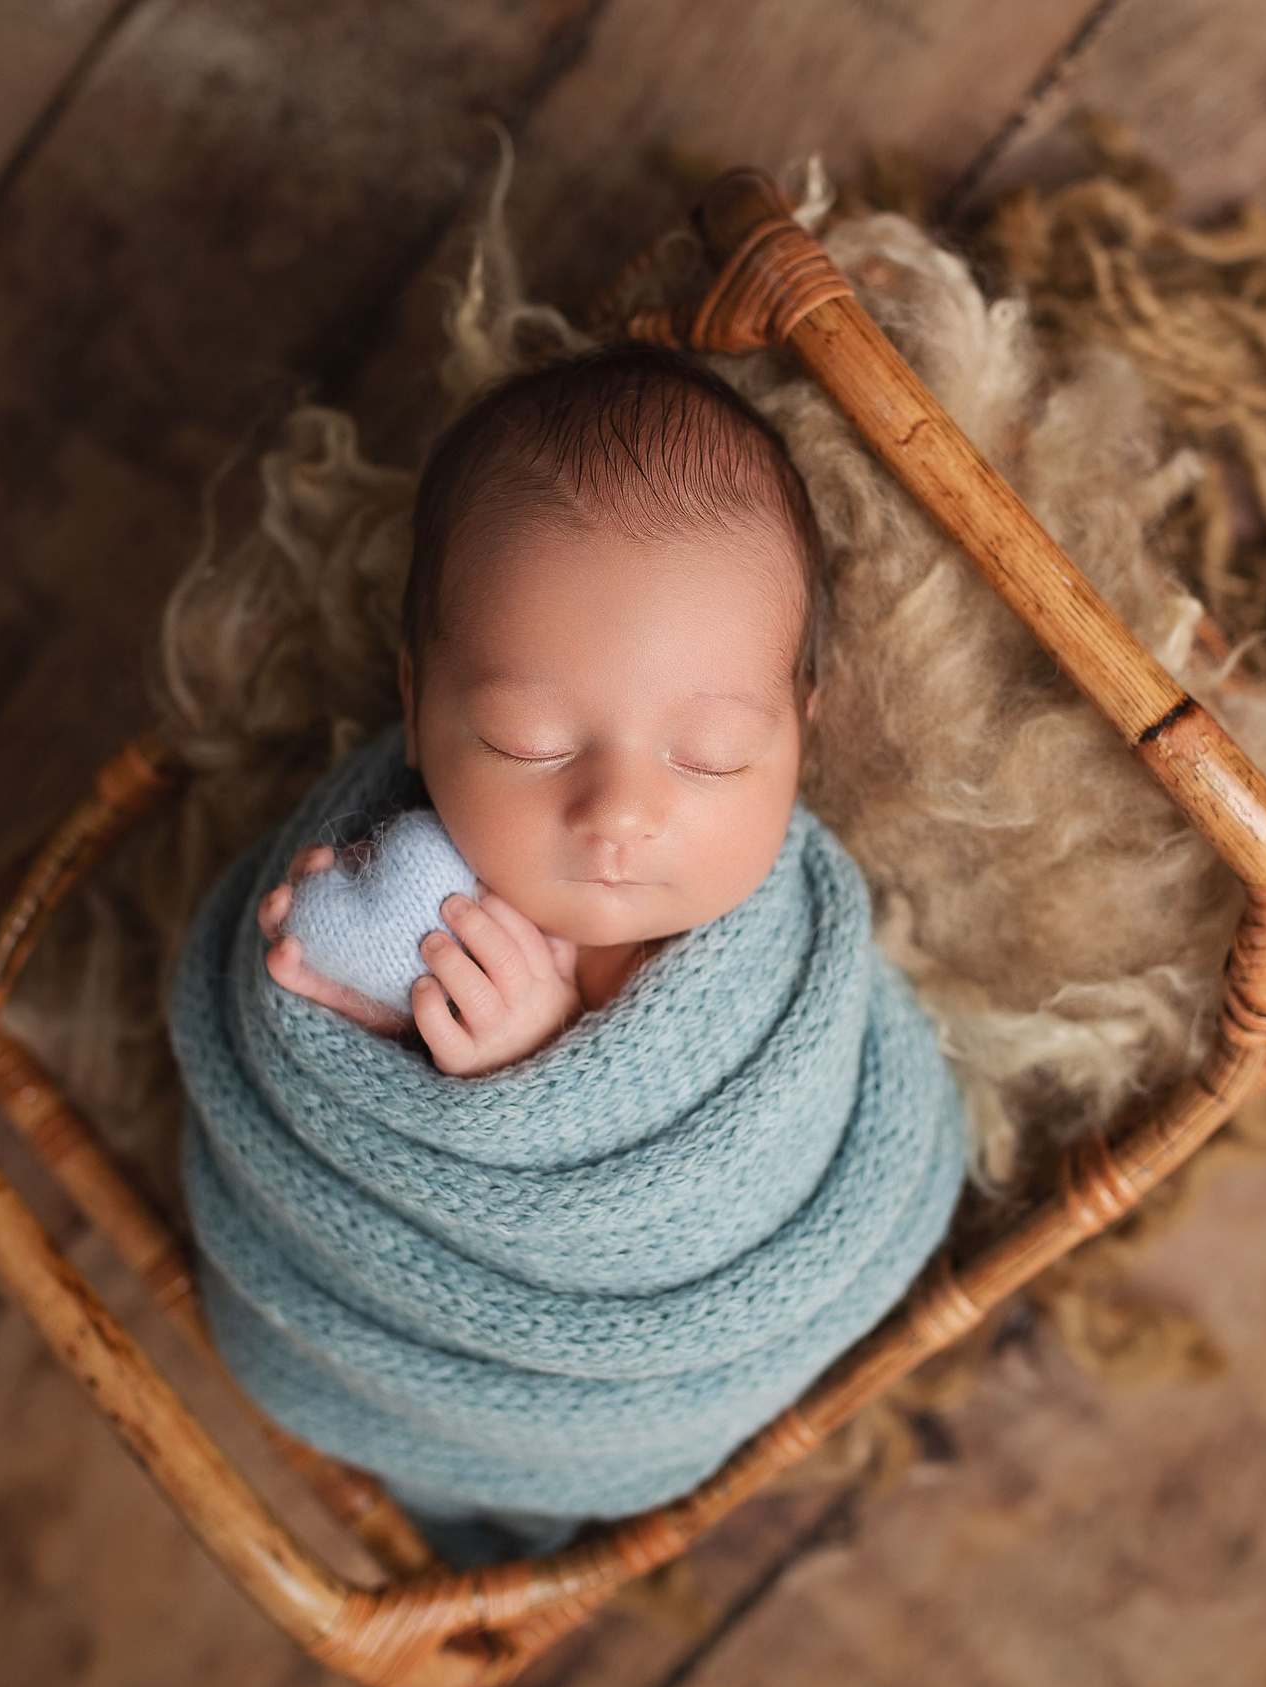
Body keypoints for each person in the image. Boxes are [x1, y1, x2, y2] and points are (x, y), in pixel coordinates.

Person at [170, 343, 966, 1564]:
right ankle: (465, 1516)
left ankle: (511, 1529)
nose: (618, 815)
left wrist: (540, 1079)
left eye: (708, 757)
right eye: (528, 740)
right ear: (419, 704)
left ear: (799, 736)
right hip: (401, 1338)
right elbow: (290, 1067)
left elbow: (760, 1171)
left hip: (654, 1373)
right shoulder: (403, 869)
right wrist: (369, 1015)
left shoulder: (771, 961)